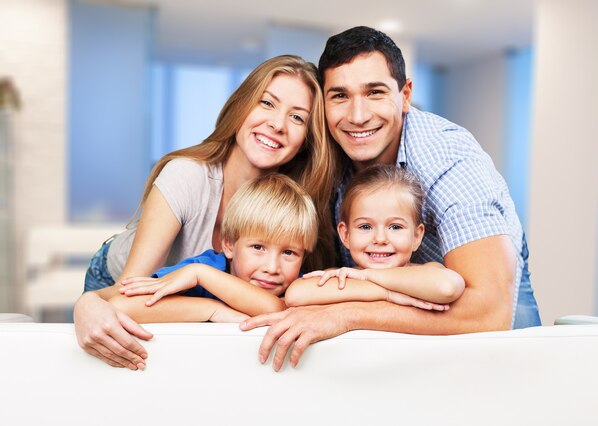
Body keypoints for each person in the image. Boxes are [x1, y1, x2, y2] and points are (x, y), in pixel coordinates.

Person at [240, 26, 541, 372]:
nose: (357, 115)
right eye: (339, 96)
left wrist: (346, 315)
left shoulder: (450, 160)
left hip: (484, 306)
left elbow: (489, 311)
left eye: (375, 92)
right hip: (395, 314)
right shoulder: (326, 151)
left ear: (406, 94)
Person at [74, 55, 339, 370]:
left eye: (297, 118)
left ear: (307, 139)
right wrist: (87, 303)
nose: (278, 124)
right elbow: (126, 295)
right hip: (119, 280)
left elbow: (279, 305)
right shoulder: (186, 176)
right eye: (267, 103)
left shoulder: (292, 203)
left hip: (197, 295)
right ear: (241, 105)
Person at [108, 174, 318, 323]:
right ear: (228, 245)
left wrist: (201, 275)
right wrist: (212, 310)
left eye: (289, 253)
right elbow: (120, 306)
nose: (272, 267)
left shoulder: (298, 287)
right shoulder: (203, 268)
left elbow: (274, 308)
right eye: (258, 247)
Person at [285, 164, 464, 310]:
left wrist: (367, 276)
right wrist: (387, 294)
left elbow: (446, 288)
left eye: (395, 227)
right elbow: (295, 294)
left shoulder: (427, 271)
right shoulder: (340, 277)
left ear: (417, 236)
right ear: (345, 235)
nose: (380, 239)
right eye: (365, 226)